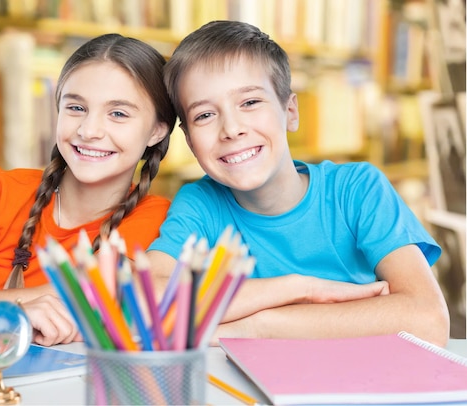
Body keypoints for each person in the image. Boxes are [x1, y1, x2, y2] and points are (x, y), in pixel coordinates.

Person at [148, 20, 450, 346]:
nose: (231, 129)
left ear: (290, 111)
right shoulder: (200, 202)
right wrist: (298, 288)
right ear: (190, 141)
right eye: (204, 115)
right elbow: (145, 299)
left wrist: (259, 327)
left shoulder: (357, 189)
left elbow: (428, 319)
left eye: (250, 102)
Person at [0, 33, 176, 346]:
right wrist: (11, 313)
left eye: (118, 113)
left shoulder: (164, 226)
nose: (89, 131)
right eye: (76, 107)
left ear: (157, 130)